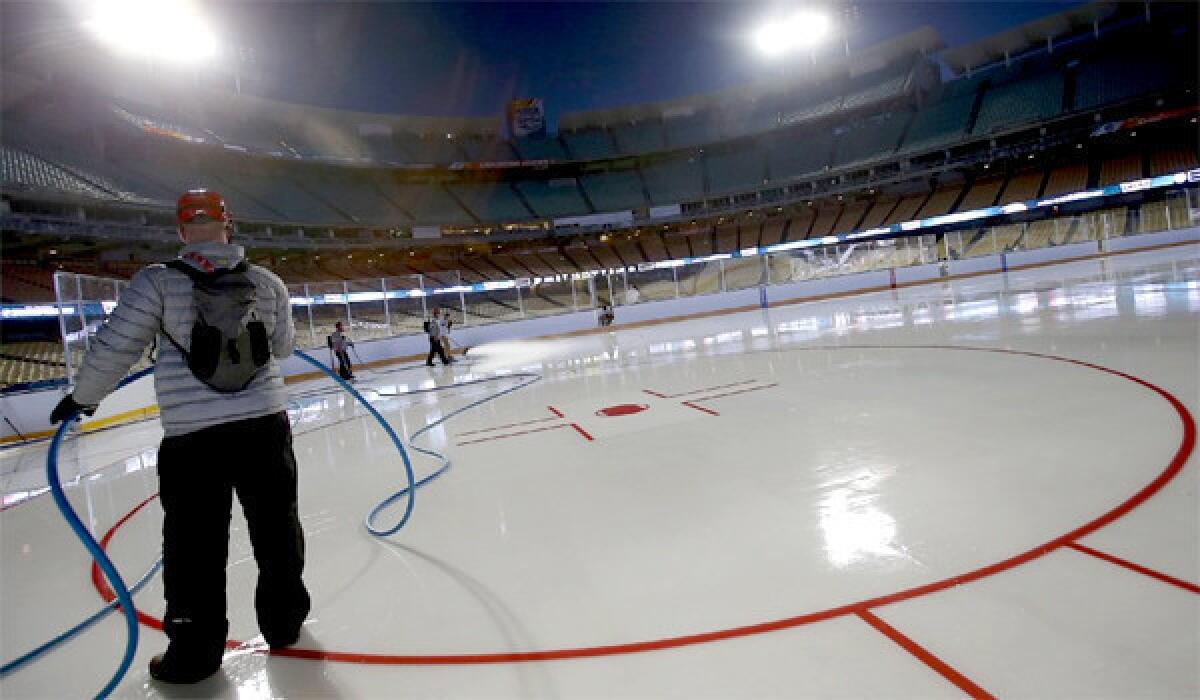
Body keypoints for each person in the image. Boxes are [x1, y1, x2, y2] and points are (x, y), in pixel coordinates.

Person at [49, 189, 310, 684]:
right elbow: (284, 348)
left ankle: (194, 654)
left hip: (193, 436)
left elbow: (114, 347)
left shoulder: (157, 282)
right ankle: (284, 625)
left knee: (194, 545)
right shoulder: (267, 281)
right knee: (277, 528)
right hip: (264, 425)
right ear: (227, 223)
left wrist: (83, 397)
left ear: (181, 230)